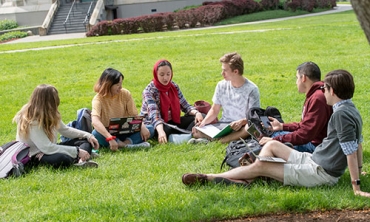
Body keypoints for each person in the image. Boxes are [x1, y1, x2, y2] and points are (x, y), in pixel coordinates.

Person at [182, 69, 370, 198]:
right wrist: (361, 173)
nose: (323, 92)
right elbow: (358, 145)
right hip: (315, 161)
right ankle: (249, 177)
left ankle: (210, 177)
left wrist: (356, 187)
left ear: (333, 91)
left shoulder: (341, 116)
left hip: (321, 173)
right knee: (271, 144)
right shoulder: (350, 110)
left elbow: (351, 152)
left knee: (262, 165)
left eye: (325, 89)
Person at [13, 84, 99, 168]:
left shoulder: (50, 112)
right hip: (36, 155)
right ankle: (81, 157)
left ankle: (81, 160)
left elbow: (65, 130)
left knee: (85, 141)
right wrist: (77, 151)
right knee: (62, 158)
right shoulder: (31, 119)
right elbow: (47, 148)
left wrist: (88, 135)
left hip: (50, 148)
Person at [259, 62, 333, 153]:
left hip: (317, 148)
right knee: (275, 134)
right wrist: (282, 126)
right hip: (313, 142)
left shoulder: (318, 98)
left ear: (304, 78)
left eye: (297, 78)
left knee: (274, 138)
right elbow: (304, 126)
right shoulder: (316, 94)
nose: (296, 82)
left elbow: (305, 135)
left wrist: (276, 140)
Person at [190, 52, 260, 144]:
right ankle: (214, 139)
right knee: (196, 130)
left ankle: (216, 141)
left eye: (225, 71)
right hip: (224, 125)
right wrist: (204, 123)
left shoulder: (252, 89)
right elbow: (215, 110)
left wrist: (241, 122)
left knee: (250, 128)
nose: (222, 73)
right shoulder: (221, 85)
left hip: (241, 126)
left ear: (235, 71)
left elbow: (254, 117)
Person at [140, 59, 203, 144]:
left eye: (168, 74)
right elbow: (154, 114)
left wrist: (196, 113)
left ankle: (184, 135)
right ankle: (190, 134)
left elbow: (185, 106)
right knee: (166, 129)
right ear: (156, 74)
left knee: (201, 117)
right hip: (156, 124)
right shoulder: (149, 91)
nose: (165, 78)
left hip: (172, 121)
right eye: (161, 75)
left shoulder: (174, 86)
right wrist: (161, 132)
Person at [91, 68, 154, 151]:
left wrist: (142, 126)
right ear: (108, 85)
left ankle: (125, 144)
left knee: (150, 129)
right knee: (95, 134)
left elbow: (134, 114)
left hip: (126, 130)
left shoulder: (125, 94)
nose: (120, 87)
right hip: (109, 133)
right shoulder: (98, 99)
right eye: (117, 85)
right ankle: (128, 145)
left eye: (121, 84)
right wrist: (110, 138)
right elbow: (95, 121)